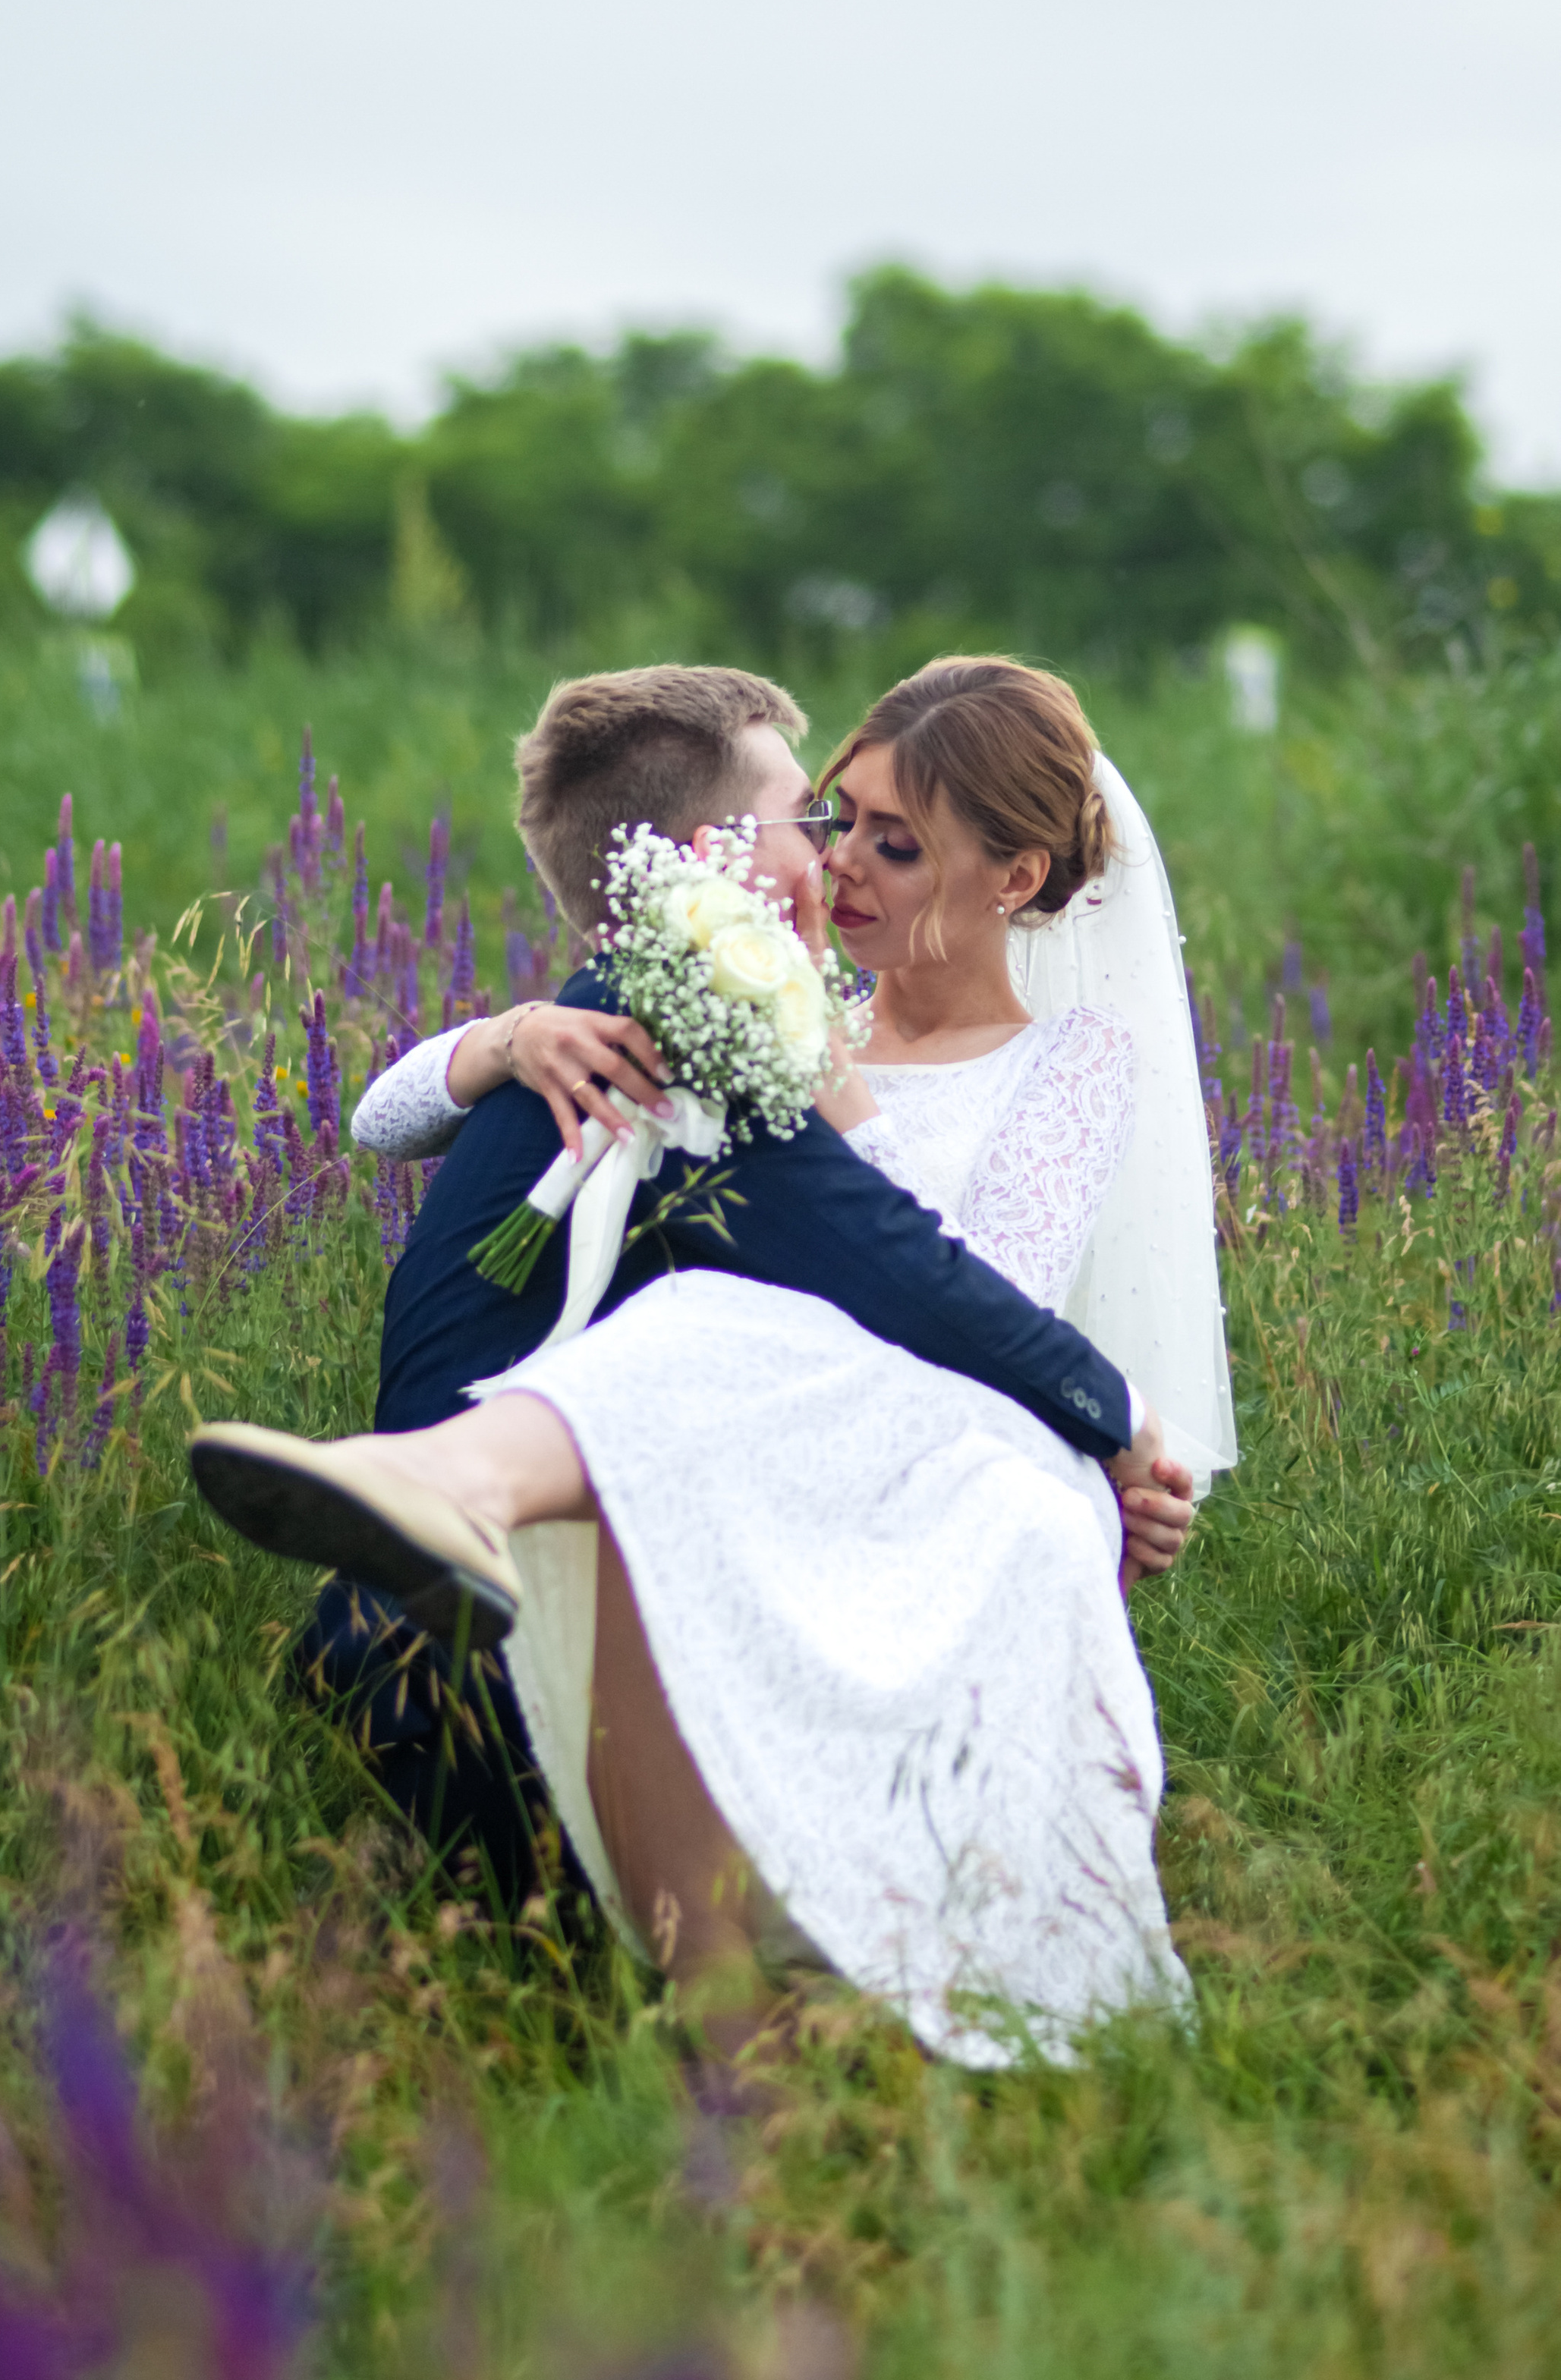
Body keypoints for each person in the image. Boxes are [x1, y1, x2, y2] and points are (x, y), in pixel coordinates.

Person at [198, 663, 1209, 2061]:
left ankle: (445, 1490)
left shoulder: (1027, 1053)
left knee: (710, 1329)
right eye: (835, 820)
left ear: (1014, 876)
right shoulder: (747, 1008)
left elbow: (949, 1283)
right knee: (697, 1336)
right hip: (756, 1419)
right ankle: (710, 2032)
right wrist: (506, 1036)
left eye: (890, 843)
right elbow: (388, 1111)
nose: (843, 863)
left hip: (911, 1428)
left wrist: (1115, 1423)